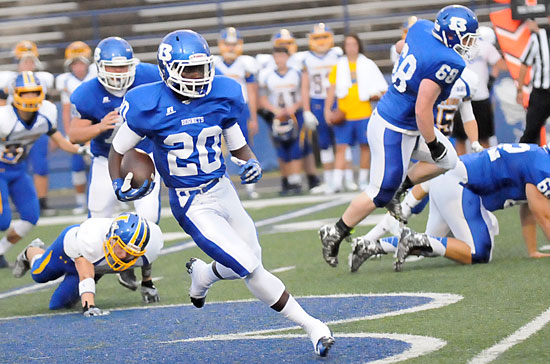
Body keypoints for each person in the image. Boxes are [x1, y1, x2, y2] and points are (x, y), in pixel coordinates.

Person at [107, 29, 335, 357]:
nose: (198, 77)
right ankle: (313, 326)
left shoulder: (223, 93)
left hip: (223, 188)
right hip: (191, 201)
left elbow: (232, 135)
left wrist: (249, 161)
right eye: (190, 70)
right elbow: (118, 151)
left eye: (201, 68)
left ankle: (204, 273)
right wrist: (118, 182)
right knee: (249, 266)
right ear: (167, 69)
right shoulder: (148, 104)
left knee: (251, 256)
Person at [318, 5, 479, 268]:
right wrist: (432, 143)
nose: (470, 45)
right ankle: (335, 231)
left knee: (449, 160)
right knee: (379, 194)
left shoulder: (422, 28)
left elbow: (400, 46)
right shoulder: (448, 61)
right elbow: (422, 109)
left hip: (406, 122)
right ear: (452, 35)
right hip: (393, 127)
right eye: (467, 38)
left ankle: (401, 187)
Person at [349, 143, 550, 273]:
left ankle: (369, 246)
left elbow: (531, 207)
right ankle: (411, 240)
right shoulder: (542, 166)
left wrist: (532, 251)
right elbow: (544, 216)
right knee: (478, 252)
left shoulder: (537, 156)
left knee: (432, 245)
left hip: (450, 180)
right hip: (461, 184)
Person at [68, 36, 162, 291]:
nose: (119, 73)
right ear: (99, 66)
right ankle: (91, 274)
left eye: (123, 67)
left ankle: (144, 275)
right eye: (113, 67)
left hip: (143, 157)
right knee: (97, 217)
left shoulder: (151, 76)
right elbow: (74, 134)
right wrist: (101, 126)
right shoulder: (86, 93)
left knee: (149, 218)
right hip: (104, 159)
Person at [0, 72, 88, 268]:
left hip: (18, 170)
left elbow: (60, 140)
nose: (30, 98)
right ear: (14, 95)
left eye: (34, 93)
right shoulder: (3, 117)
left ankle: (0, 250)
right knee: (3, 221)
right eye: (25, 93)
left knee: (31, 216)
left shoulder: (46, 113)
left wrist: (83, 150)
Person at [12, 212, 163, 313]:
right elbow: (85, 274)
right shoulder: (91, 241)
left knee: (59, 304)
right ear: (111, 238)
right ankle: (32, 250)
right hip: (70, 254)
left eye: (130, 253)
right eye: (120, 248)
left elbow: (146, 262)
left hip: (95, 265)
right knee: (39, 274)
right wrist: (89, 307)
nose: (123, 255)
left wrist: (147, 283)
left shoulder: (149, 248)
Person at [257, 29, 321, 192]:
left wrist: (298, 107)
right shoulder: (266, 73)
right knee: (281, 148)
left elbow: (304, 92)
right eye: (277, 55)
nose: (279, 59)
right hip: (277, 116)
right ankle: (288, 181)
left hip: (295, 113)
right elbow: (262, 98)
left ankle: (297, 180)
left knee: (297, 147)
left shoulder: (298, 70)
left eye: (282, 55)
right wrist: (274, 110)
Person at [325, 33, 388, 191]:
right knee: (341, 147)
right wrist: (327, 109)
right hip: (344, 112)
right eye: (348, 44)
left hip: (363, 112)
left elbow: (380, 88)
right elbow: (332, 89)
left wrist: (374, 94)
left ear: (358, 45)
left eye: (354, 44)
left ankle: (362, 180)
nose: (351, 48)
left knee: (365, 147)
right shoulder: (339, 65)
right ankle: (337, 182)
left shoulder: (367, 64)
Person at [0, 41, 56, 215]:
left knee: (40, 166)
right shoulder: (9, 80)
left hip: (36, 128)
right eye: (24, 60)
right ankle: (12, 204)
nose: (27, 64)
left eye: (31, 60)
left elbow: (48, 105)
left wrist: (52, 132)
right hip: (13, 131)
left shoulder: (43, 79)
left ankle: (42, 203)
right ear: (17, 61)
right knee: (10, 168)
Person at [214, 27, 260, 199]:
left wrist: (253, 117)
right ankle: (220, 185)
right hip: (217, 108)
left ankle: (251, 184)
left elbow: (252, 91)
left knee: (244, 146)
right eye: (228, 44)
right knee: (214, 147)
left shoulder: (245, 63)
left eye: (234, 44)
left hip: (240, 109)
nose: (231, 48)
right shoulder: (213, 63)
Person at [301, 23, 344, 194]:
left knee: (342, 140)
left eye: (323, 37)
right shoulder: (306, 58)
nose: (320, 41)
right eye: (317, 38)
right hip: (317, 101)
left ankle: (345, 178)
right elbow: (304, 86)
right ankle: (329, 180)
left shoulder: (338, 55)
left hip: (337, 100)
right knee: (325, 143)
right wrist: (306, 109)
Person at [55, 41, 97, 214]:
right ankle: (81, 201)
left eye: (81, 63)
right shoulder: (65, 81)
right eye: (75, 64)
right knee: (77, 166)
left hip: (96, 125)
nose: (79, 67)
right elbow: (66, 109)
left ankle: (117, 197)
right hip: (78, 126)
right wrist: (68, 133)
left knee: (105, 163)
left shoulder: (96, 74)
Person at [452, 25, 507, 154]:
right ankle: (486, 168)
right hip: (477, 95)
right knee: (481, 139)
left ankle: (462, 170)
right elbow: (502, 65)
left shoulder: (455, 45)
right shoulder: (485, 46)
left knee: (462, 139)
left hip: (462, 95)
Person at [517, 17, 550, 144]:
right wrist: (519, 89)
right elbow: (525, 63)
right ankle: (523, 161)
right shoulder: (538, 37)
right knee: (531, 131)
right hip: (541, 93)